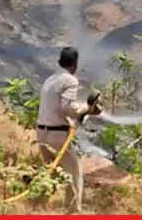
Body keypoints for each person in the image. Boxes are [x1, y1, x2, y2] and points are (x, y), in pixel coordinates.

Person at [36, 46, 101, 213]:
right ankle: (72, 211)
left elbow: (56, 106)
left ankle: (36, 206)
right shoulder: (70, 80)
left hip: (42, 133)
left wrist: (83, 110)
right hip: (57, 135)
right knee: (74, 172)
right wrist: (86, 108)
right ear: (75, 64)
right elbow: (67, 107)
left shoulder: (50, 79)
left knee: (49, 172)